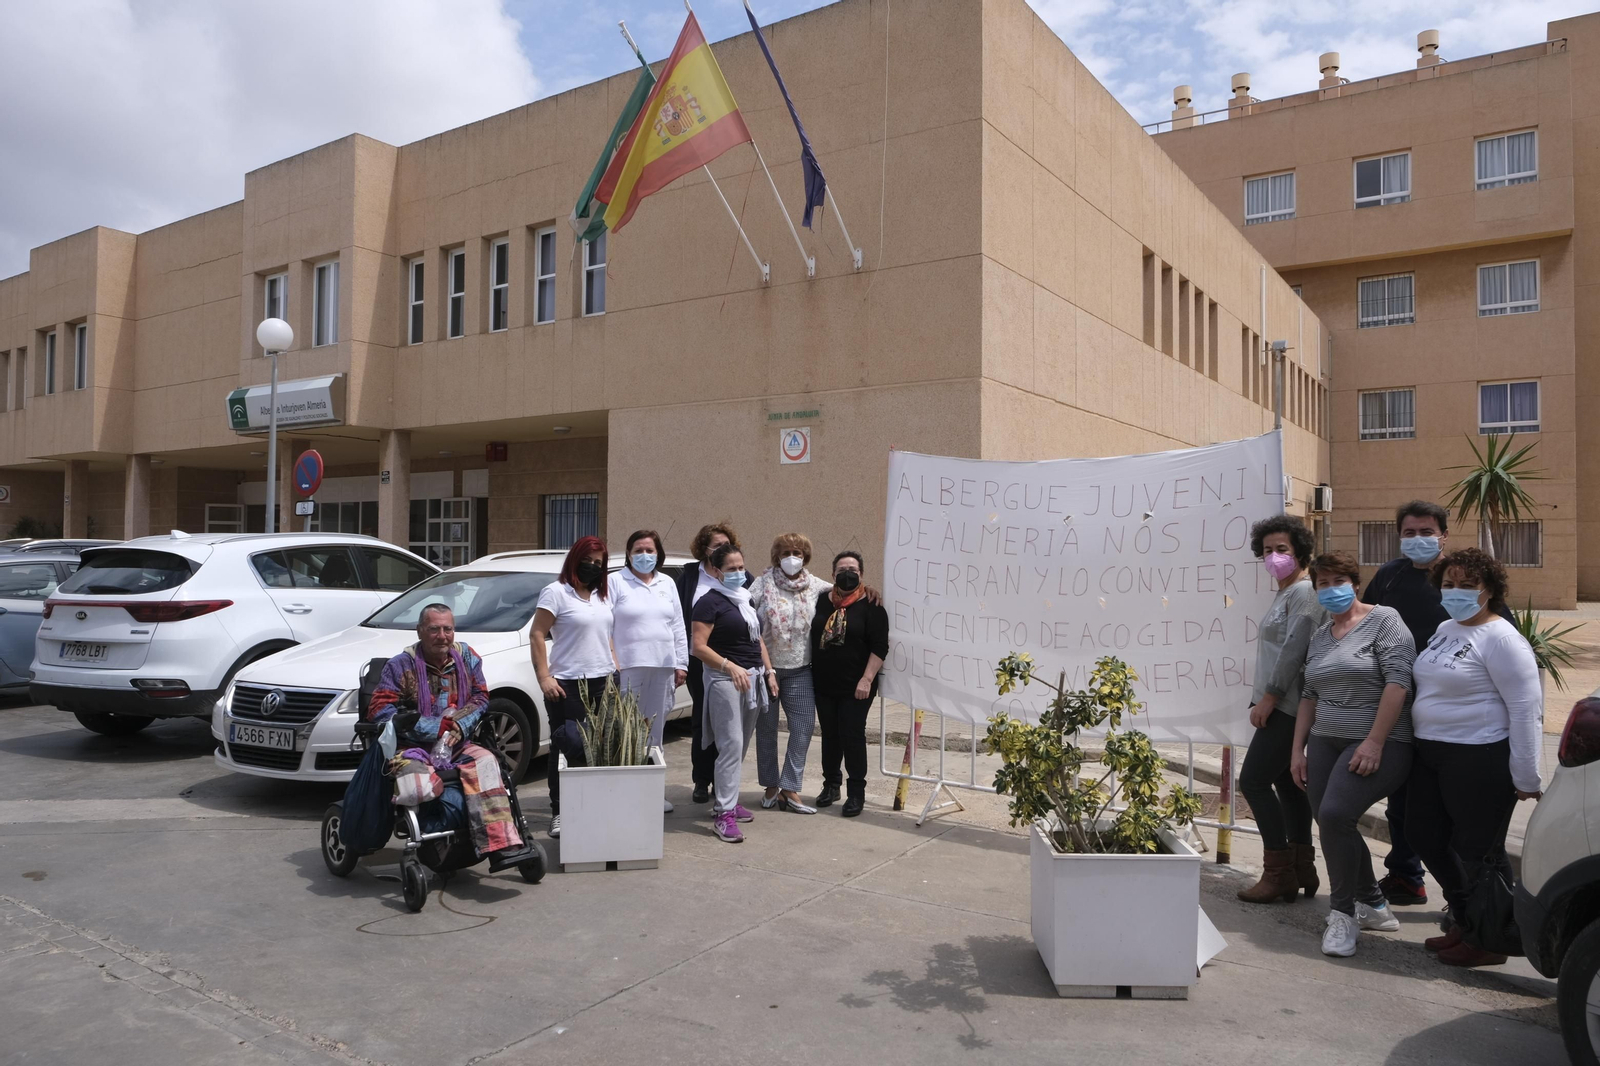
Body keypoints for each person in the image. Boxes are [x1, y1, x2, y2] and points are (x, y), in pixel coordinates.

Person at [1361, 501, 1516, 908]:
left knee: (1454, 820)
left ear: (1444, 535)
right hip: (1400, 708)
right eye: (1409, 532)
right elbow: (1366, 624)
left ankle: (1472, 905)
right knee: (1406, 806)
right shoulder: (1389, 577)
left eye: (1426, 532)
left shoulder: (1461, 580)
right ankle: (1406, 876)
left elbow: (1507, 647)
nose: (1418, 539)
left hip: (1462, 726)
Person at [1407, 548, 1543, 968]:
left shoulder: (1503, 638)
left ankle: (1490, 941)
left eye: (1468, 585)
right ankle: (1467, 920)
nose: (1457, 592)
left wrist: (1527, 775)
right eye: (1449, 584)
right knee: (1423, 834)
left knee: (1479, 850)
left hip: (1479, 756)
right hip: (1431, 752)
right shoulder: (1446, 628)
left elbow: (1525, 707)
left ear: (1490, 590)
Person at [1291, 551, 1415, 958]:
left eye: (1337, 581)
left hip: (1382, 742)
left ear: (1355, 583)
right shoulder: (1322, 636)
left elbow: (1399, 681)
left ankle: (1343, 916)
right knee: (1332, 823)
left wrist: (1375, 741)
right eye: (1321, 584)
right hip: (1325, 741)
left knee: (1333, 815)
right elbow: (1309, 694)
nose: (1330, 589)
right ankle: (1375, 905)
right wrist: (1298, 750)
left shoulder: (1385, 620)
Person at [367, 604, 531, 869]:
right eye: (434, 629)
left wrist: (459, 727)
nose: (442, 636)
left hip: (458, 742)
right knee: (418, 786)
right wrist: (433, 727)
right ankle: (434, 838)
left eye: (448, 629)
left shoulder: (466, 658)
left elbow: (480, 697)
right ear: (420, 631)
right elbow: (380, 710)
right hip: (410, 746)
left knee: (488, 763)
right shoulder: (400, 665)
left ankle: (499, 846)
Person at [1237, 515, 1327, 904]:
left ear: (1301, 553)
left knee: (1253, 782)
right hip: (1281, 703)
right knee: (1289, 787)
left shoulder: (1304, 593)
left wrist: (1269, 699)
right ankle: (1301, 867)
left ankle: (1277, 873)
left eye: (1282, 550)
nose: (1274, 557)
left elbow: (1294, 650)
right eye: (1268, 550)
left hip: (1288, 706)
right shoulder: (1286, 592)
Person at [691, 543, 778, 843]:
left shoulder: (745, 600)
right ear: (716, 571)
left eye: (741, 567)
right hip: (725, 680)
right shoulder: (708, 602)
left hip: (752, 679)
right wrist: (729, 666)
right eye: (731, 569)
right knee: (730, 745)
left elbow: (758, 642)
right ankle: (723, 814)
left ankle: (727, 799)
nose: (739, 573)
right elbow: (699, 647)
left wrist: (769, 672)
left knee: (739, 747)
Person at [530, 536, 616, 839]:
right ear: (575, 559)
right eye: (588, 560)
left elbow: (607, 635)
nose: (593, 566)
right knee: (566, 747)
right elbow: (537, 634)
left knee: (602, 747)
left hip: (604, 683)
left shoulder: (601, 595)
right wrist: (544, 677)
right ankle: (559, 812)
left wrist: (614, 666)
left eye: (599, 563)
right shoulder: (556, 593)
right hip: (566, 685)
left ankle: (593, 807)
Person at [748, 534, 830, 815]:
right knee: (767, 729)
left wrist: (869, 591)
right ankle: (771, 786)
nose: (791, 557)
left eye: (797, 552)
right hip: (765, 669)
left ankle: (790, 786)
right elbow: (741, 606)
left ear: (805, 556)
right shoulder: (763, 583)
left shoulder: (815, 584)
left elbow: (845, 596)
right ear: (776, 556)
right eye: (785, 552)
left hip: (800, 670)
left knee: (804, 726)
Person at [612, 529, 687, 813]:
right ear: (629, 554)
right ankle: (625, 795)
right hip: (629, 668)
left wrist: (682, 663)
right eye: (638, 550)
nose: (644, 556)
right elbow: (606, 625)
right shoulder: (616, 582)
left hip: (663, 667)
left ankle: (653, 794)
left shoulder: (667, 582)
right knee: (627, 730)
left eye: (650, 550)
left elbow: (678, 625)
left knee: (655, 733)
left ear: (659, 554)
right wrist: (613, 663)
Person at [675, 524, 751, 805]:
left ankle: (724, 785)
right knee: (702, 720)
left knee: (729, 726)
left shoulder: (742, 578)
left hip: (733, 663)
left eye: (726, 544)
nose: (722, 549)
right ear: (704, 549)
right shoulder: (690, 576)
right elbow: (677, 615)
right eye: (716, 545)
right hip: (700, 660)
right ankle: (701, 779)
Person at [810, 551, 889, 818]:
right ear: (832, 574)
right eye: (842, 569)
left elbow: (880, 647)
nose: (847, 573)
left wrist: (867, 679)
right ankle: (831, 785)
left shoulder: (872, 605)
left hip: (858, 685)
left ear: (861, 574)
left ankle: (856, 793)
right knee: (830, 735)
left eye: (852, 569)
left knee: (852, 735)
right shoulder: (822, 600)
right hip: (824, 682)